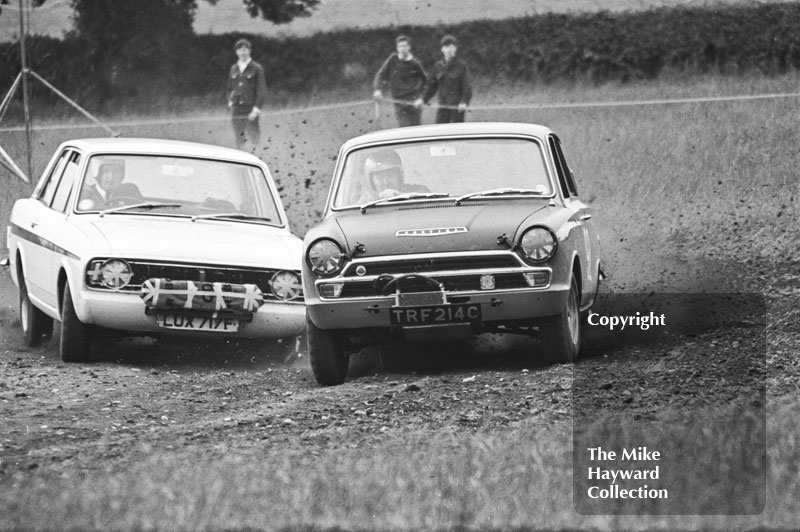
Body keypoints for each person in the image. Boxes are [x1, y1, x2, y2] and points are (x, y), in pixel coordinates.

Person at [373, 35, 427, 127]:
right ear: (397, 48)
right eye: (400, 46)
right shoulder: (392, 60)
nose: (402, 49)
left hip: (414, 102)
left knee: (416, 131)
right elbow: (381, 75)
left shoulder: (415, 64)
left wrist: (421, 98)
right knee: (404, 131)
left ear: (409, 47)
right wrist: (378, 89)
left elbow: (425, 81)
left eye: (404, 46)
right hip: (399, 102)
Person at [226, 38, 268, 151]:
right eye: (240, 50)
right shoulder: (233, 68)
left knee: (254, 137)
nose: (243, 53)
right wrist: (231, 103)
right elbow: (229, 89)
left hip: (250, 109)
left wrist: (256, 110)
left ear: (249, 51)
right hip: (236, 110)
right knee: (239, 139)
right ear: (236, 52)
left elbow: (262, 91)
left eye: (245, 50)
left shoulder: (257, 68)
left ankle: (256, 159)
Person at [423, 35, 473, 123]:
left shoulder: (461, 66)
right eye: (446, 47)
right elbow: (432, 86)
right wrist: (423, 99)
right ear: (442, 49)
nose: (449, 50)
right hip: (443, 106)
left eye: (451, 47)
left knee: (456, 133)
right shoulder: (438, 66)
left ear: (455, 49)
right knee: (439, 131)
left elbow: (467, 86)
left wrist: (464, 102)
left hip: (457, 107)